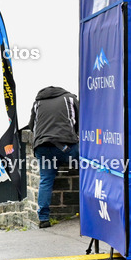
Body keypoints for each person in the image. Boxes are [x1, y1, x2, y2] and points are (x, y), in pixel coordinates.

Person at [25, 86, 80, 228]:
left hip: (42, 148)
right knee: (88, 165)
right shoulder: (70, 98)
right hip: (66, 147)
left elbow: (32, 126)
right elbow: (81, 123)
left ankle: (43, 219)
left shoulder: (38, 102)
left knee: (45, 180)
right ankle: (89, 210)